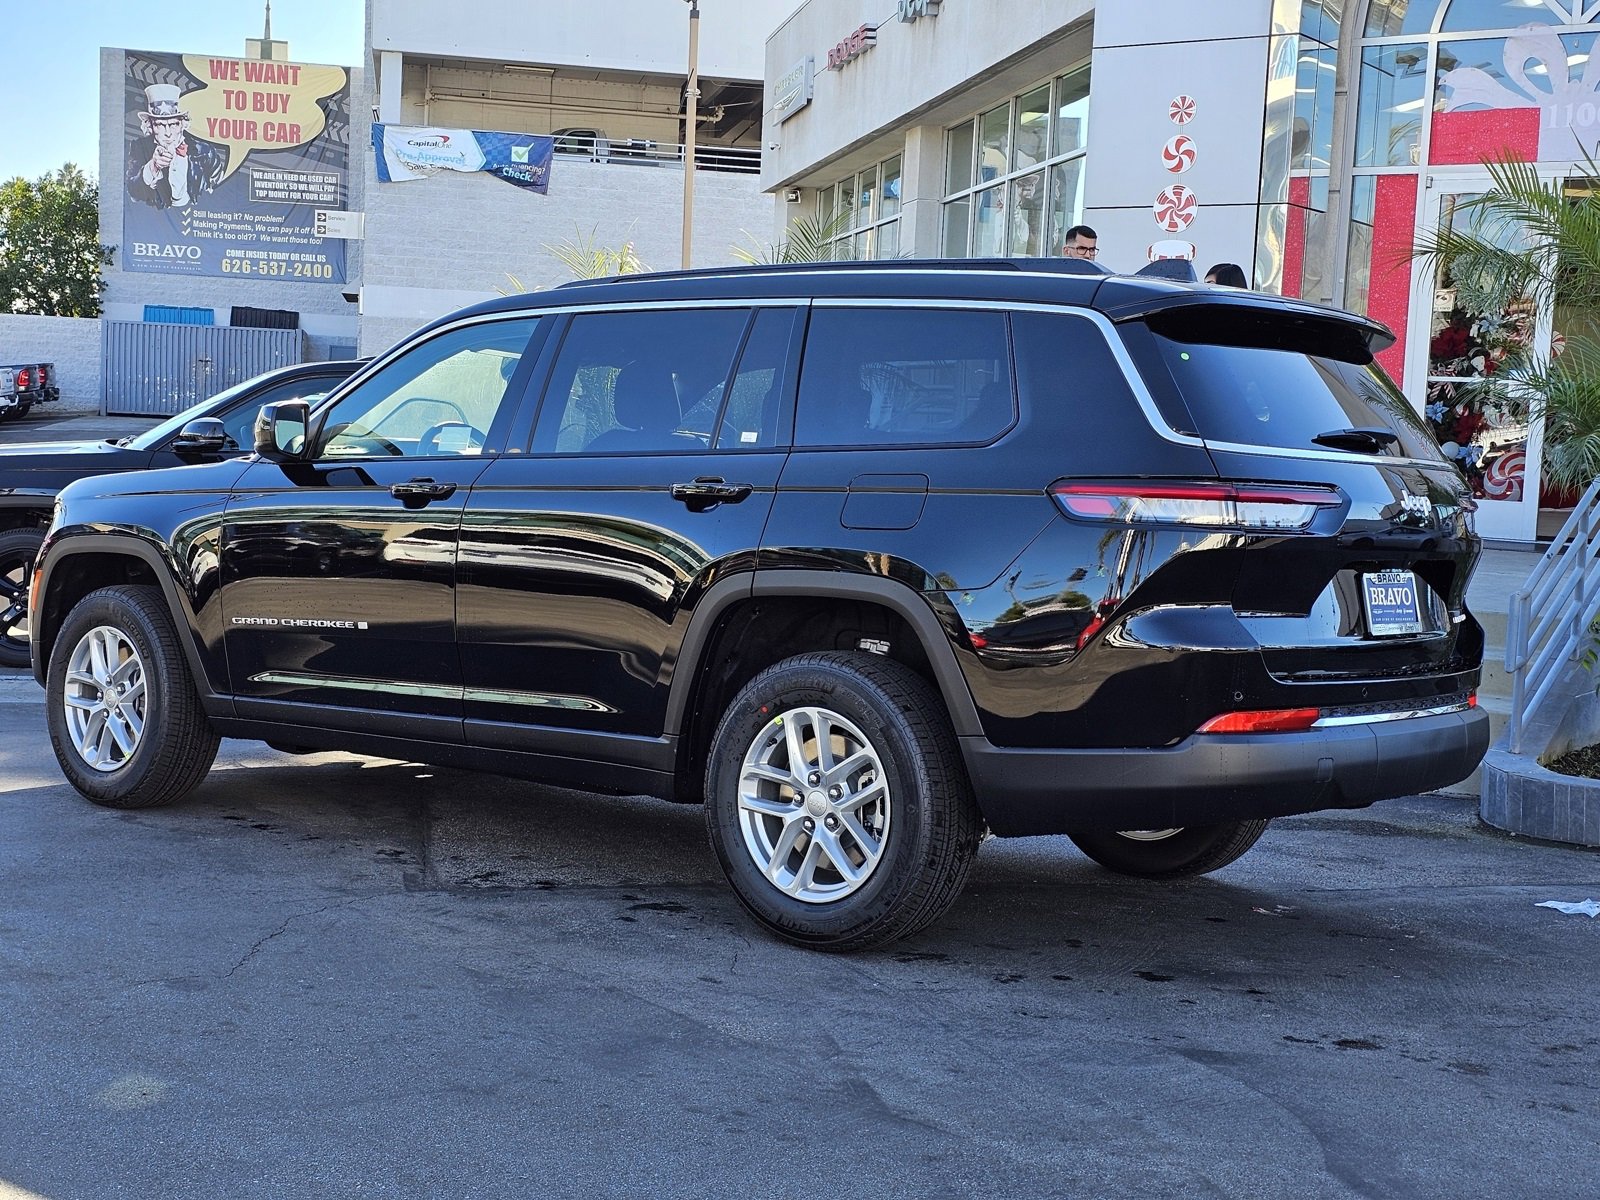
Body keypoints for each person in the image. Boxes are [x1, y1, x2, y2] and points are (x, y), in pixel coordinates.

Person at [126, 83, 227, 210]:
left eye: (173, 124)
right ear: (150, 127)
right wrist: (153, 166)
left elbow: (221, 191)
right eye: (160, 125)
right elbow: (132, 193)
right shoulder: (139, 147)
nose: (168, 133)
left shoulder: (206, 152)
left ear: (182, 124)